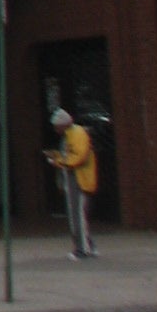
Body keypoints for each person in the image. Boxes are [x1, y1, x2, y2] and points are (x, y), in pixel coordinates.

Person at [48, 107, 98, 258]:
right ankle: (87, 245)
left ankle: (82, 249)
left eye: (56, 125)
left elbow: (78, 157)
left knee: (78, 214)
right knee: (78, 214)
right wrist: (58, 157)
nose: (55, 128)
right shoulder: (70, 135)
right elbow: (73, 155)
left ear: (63, 124)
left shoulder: (77, 134)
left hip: (79, 178)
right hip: (75, 177)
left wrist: (58, 161)